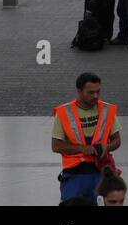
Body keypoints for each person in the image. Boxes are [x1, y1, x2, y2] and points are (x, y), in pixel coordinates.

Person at [52, 73, 121, 203]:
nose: (95, 96)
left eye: (98, 92)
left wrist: (108, 146)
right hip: (74, 175)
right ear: (79, 91)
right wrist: (81, 148)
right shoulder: (64, 112)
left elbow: (117, 140)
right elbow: (56, 146)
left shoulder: (107, 110)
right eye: (90, 92)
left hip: (100, 174)